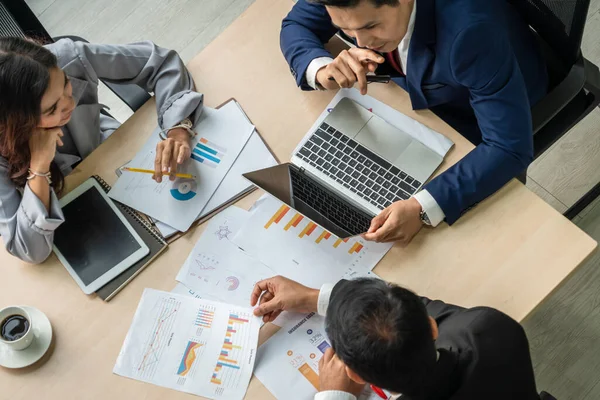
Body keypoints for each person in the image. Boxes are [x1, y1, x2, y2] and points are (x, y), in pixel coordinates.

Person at [280, 0, 548, 245]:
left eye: (371, 26)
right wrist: (322, 68)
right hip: (416, 92)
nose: (360, 42)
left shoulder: (471, 34)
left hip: (480, 109)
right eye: (344, 29)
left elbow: (508, 147)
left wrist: (420, 208)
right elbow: (297, 23)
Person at [0, 37, 203, 264]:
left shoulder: (66, 57)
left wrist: (177, 128)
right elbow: (29, 250)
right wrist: (38, 167)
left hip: (113, 157)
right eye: (52, 109)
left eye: (66, 84)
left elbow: (161, 61)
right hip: (76, 225)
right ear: (17, 123)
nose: (70, 104)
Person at [251, 276, 541, 400]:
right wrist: (316, 298)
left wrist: (332, 394)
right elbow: (405, 310)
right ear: (432, 327)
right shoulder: (489, 327)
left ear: (354, 374)